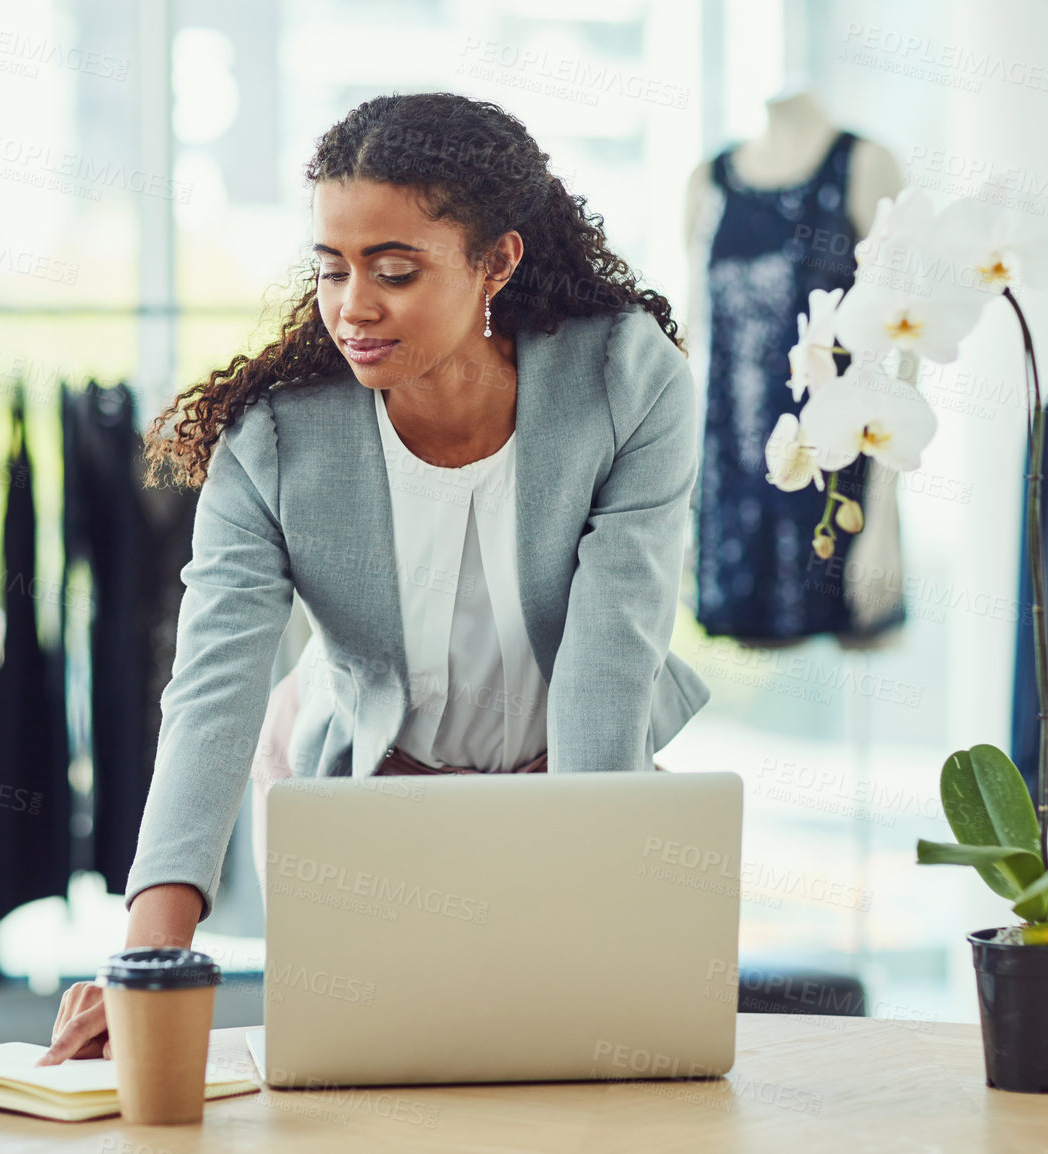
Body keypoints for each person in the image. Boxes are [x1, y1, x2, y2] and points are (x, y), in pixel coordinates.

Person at [39, 91, 710, 1065]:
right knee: (370, 1089)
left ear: (498, 261)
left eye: (394, 271)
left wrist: (581, 885)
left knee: (597, 1076)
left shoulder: (622, 381)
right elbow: (214, 691)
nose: (352, 305)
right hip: (360, 804)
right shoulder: (274, 439)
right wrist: (146, 959)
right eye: (331, 268)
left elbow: (613, 653)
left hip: (576, 783)